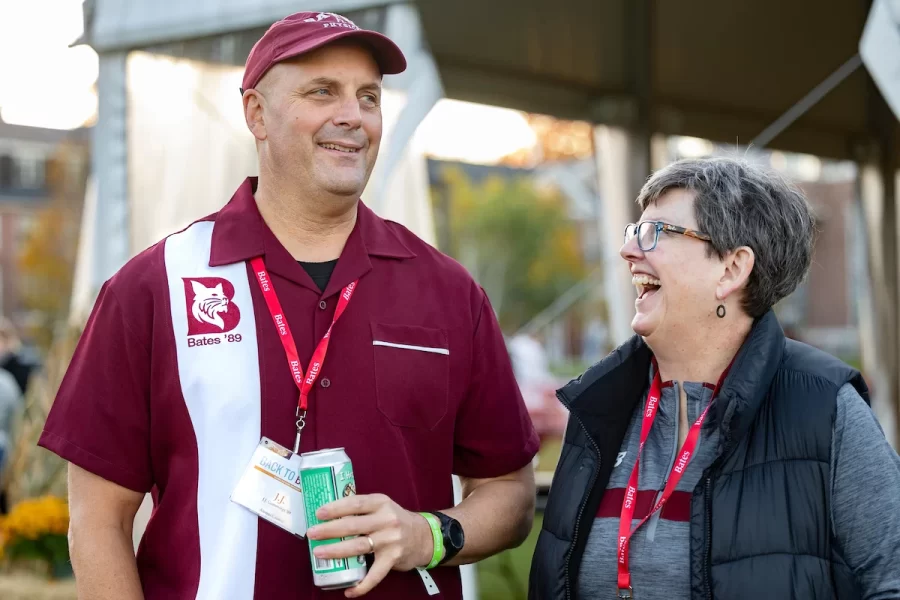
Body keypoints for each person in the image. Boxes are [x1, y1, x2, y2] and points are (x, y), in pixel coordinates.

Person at [39, 11, 538, 600]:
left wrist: (428, 533)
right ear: (256, 113)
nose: (353, 115)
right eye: (322, 91)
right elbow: (97, 521)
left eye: (369, 96)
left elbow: (509, 490)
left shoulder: (449, 292)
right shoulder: (154, 286)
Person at [529, 157, 900, 599]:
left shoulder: (825, 410)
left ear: (731, 269)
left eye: (656, 233)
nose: (629, 251)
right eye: (634, 231)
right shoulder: (598, 407)